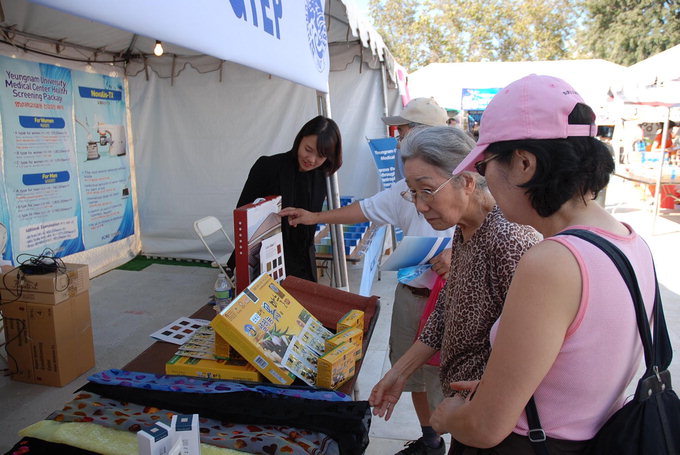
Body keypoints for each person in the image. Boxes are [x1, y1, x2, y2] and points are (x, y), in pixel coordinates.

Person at [428, 74, 656, 454]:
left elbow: (485, 428)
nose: (485, 183)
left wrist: (446, 417)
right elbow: (577, 370)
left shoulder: (553, 262)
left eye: (485, 167)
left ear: (523, 164)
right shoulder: (632, 243)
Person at [280, 112, 452, 455]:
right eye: (399, 133)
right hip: (412, 292)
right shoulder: (405, 188)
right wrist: (315, 218)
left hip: (452, 298)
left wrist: (459, 260)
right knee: (412, 374)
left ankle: (458, 442)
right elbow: (367, 209)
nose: (399, 140)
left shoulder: (468, 185)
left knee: (450, 378)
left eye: (405, 132)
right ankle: (431, 441)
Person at [368, 126, 541, 454]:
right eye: (413, 193)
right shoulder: (465, 229)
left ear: (467, 181)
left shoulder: (510, 239)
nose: (419, 205)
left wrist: (483, 401)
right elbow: (447, 308)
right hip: (469, 412)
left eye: (427, 190)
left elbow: (531, 349)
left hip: (500, 422)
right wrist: (400, 372)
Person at [230, 115, 342, 282]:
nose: (311, 160)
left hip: (302, 266)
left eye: (320, 156)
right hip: (263, 264)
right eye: (308, 149)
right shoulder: (267, 167)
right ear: (300, 139)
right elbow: (242, 215)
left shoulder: (322, 178)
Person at [383, 97, 449, 181]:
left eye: (400, 130)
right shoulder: (455, 154)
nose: (399, 139)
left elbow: (402, 188)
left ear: (417, 131)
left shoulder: (406, 150)